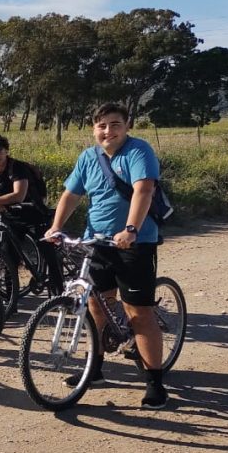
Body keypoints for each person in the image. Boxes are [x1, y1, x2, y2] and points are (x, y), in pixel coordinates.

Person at [45, 102, 168, 409]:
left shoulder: (138, 152)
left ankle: (155, 381)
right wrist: (56, 227)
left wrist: (131, 229)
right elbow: (71, 195)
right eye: (102, 125)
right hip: (96, 241)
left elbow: (143, 190)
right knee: (96, 307)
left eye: (115, 124)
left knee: (139, 311)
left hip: (134, 243)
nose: (108, 131)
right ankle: (95, 370)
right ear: (93, 128)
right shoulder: (88, 157)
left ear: (127, 125)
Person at [0, 134, 62, 295]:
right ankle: (11, 300)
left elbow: (19, 195)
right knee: (8, 258)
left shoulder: (17, 168)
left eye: (0, 152)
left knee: (48, 253)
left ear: (6, 151)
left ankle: (60, 294)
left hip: (34, 213)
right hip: (11, 217)